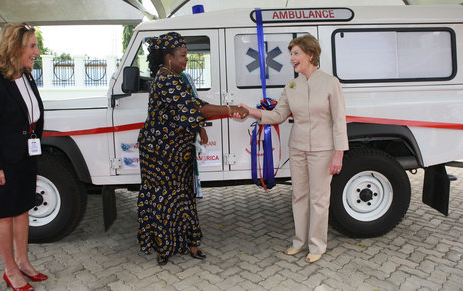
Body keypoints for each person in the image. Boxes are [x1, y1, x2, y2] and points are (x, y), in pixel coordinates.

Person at [137, 32, 248, 265]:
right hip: (161, 152)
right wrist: (230, 109)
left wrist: (201, 128)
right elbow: (195, 108)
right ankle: (163, 248)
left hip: (177, 149)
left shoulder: (176, 77)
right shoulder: (166, 80)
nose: (186, 59)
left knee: (184, 197)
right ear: (168, 58)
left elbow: (190, 109)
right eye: (183, 55)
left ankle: (191, 243)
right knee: (164, 198)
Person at [239, 35, 348, 263]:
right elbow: (278, 115)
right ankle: (300, 242)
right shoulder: (292, 86)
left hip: (322, 149)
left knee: (319, 199)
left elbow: (339, 120)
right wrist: (251, 111)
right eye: (291, 54)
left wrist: (339, 152)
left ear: (310, 54)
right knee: (299, 196)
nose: (291, 59)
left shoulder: (330, 82)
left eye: (296, 53)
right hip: (297, 148)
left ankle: (317, 245)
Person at [0, 23, 47, 290]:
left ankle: (23, 262)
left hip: (25, 157)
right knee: (4, 215)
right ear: (14, 48)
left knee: (22, 209)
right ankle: (10, 270)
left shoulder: (25, 75)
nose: (36, 51)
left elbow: (32, 114)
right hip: (1, 163)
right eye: (32, 46)